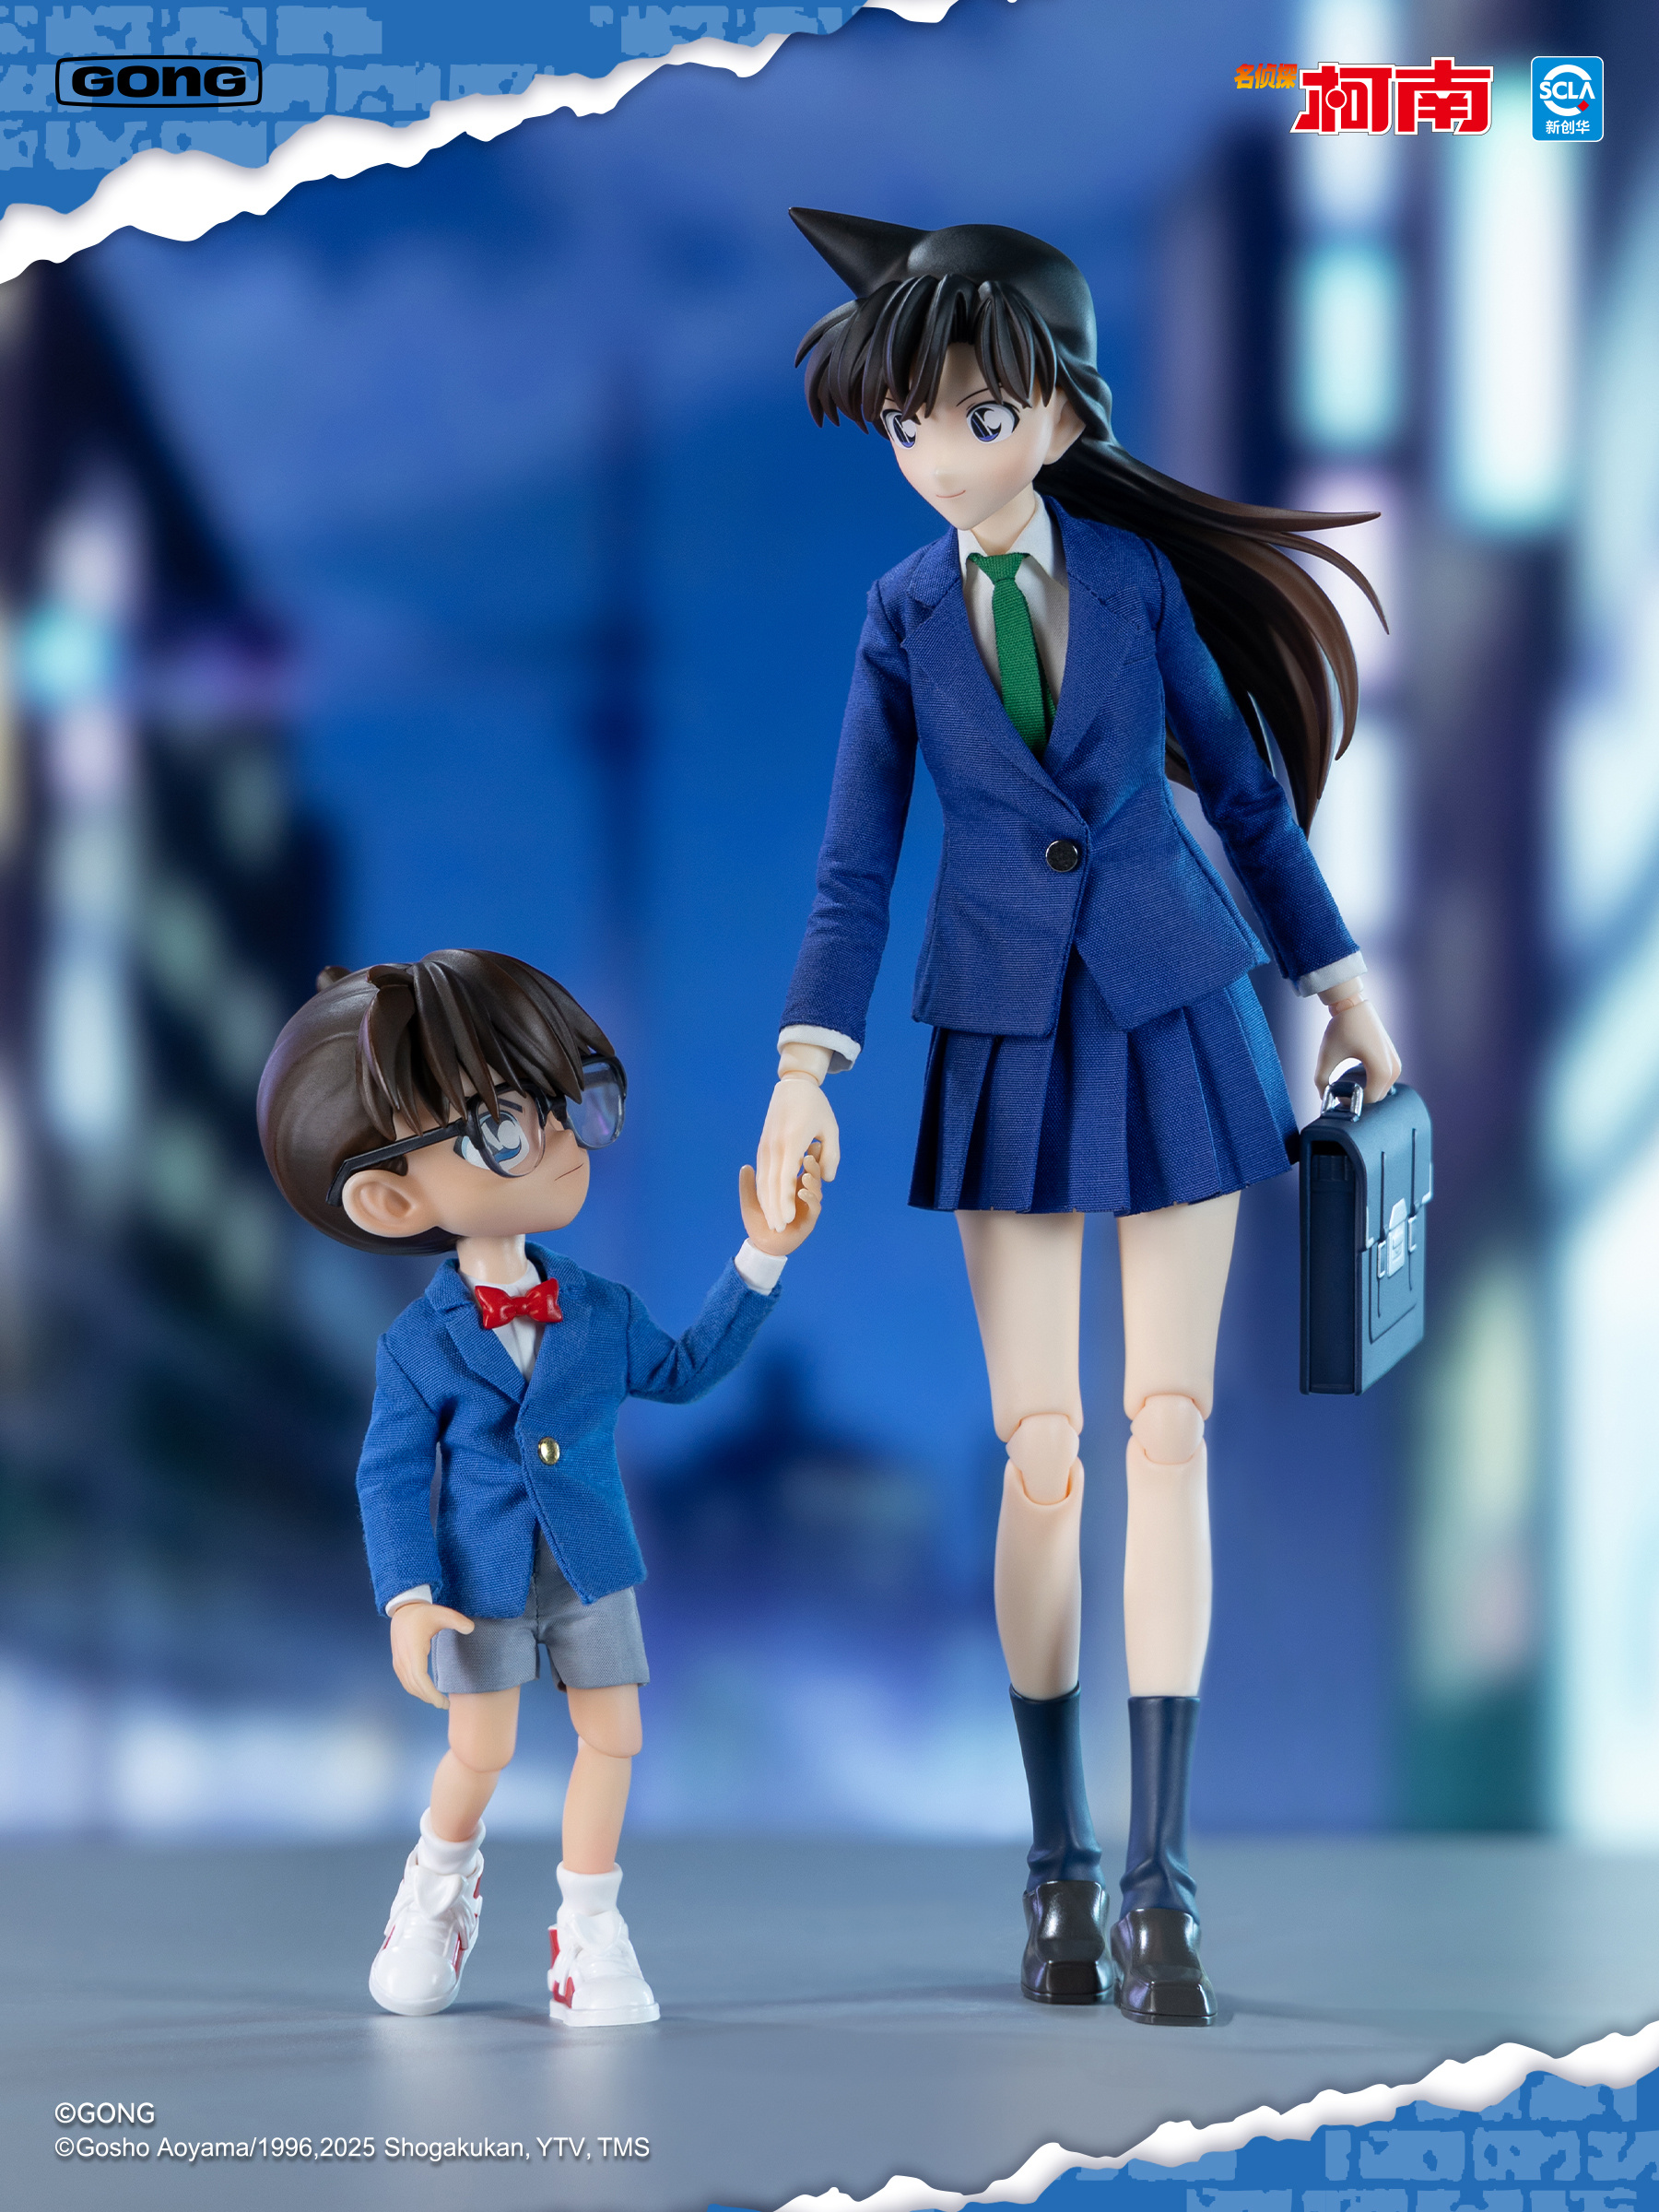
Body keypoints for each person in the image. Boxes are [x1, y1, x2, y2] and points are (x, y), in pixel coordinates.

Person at [752, 211, 1400, 2024]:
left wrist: (1341, 986)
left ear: (1056, 415)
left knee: (1166, 1434)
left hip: (1177, 1008)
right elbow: (855, 868)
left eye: (975, 416)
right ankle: (1054, 1863)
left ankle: (1159, 1882)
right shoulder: (900, 616)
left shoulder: (1132, 584)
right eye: (908, 425)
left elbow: (1246, 803)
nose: (937, 455)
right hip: (1003, 1040)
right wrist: (807, 1065)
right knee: (1041, 1455)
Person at [259, 949, 821, 2022]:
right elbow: (390, 1473)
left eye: (567, 1104)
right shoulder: (418, 1343)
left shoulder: (600, 1309)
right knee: (482, 1751)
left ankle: (590, 1925)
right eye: (507, 1124)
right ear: (392, 1197)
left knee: (616, 1738)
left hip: (592, 1565)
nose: (562, 1138)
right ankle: (435, 1889)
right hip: (478, 1582)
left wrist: (761, 1258)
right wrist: (407, 1594)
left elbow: (684, 1371)